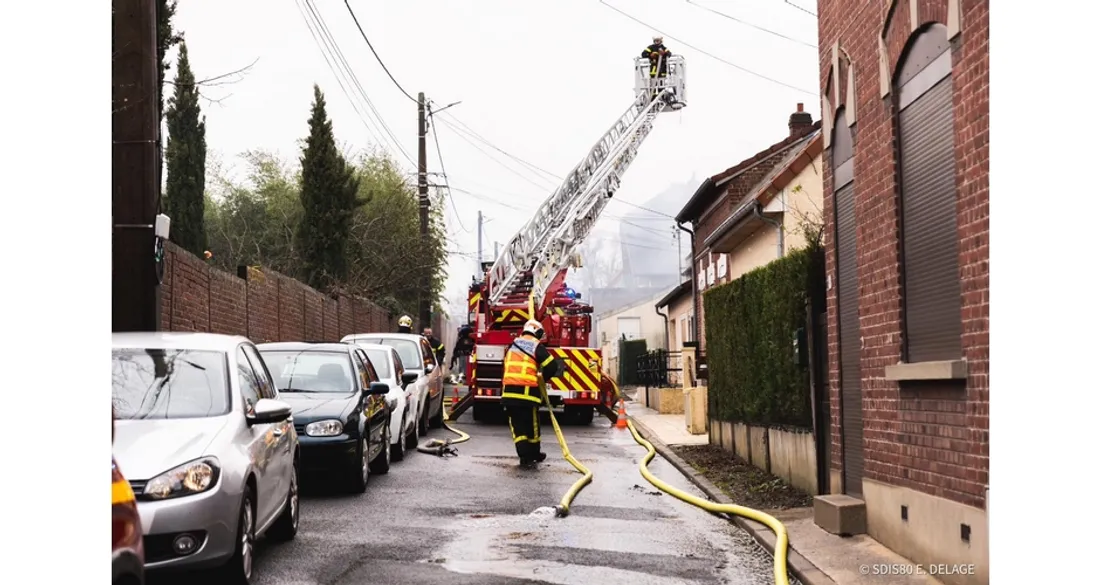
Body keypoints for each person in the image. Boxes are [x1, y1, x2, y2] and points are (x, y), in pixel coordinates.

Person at [501, 320, 563, 466]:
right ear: (537, 332)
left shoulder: (512, 345)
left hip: (509, 394)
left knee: (517, 426)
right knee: (532, 425)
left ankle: (524, 456)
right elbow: (552, 366)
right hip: (528, 394)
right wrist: (542, 377)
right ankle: (534, 453)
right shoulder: (536, 345)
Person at [641, 36, 672, 101]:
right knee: (653, 83)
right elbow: (643, 54)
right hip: (654, 69)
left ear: (661, 41)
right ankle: (653, 97)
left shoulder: (664, 48)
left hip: (662, 68)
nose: (657, 41)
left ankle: (662, 96)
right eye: (655, 40)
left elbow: (669, 54)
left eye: (658, 40)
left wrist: (664, 53)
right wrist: (650, 55)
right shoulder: (651, 47)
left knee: (661, 83)